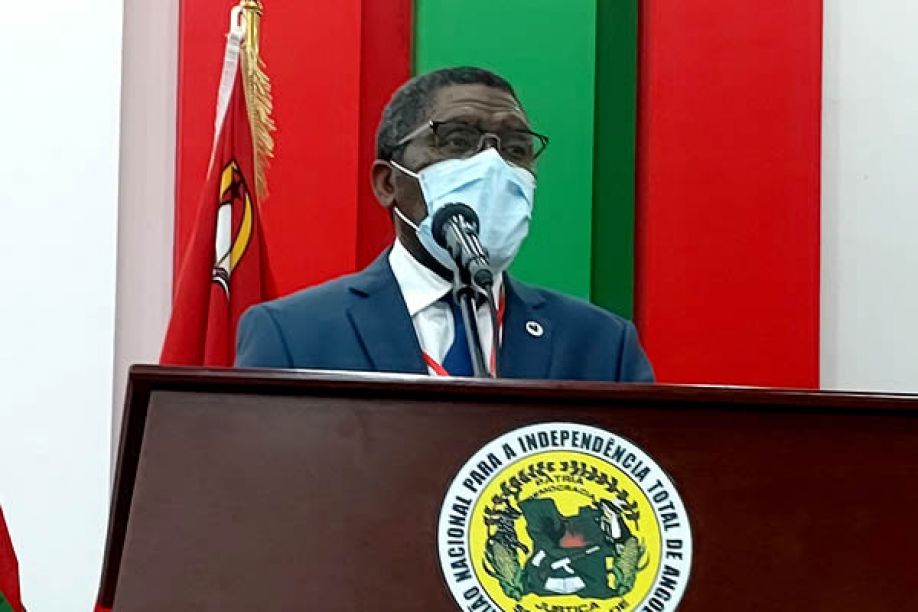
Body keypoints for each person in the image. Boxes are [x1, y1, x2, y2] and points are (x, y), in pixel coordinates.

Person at [235, 66, 653, 381]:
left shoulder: (601, 346)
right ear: (388, 183)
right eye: (457, 141)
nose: (493, 165)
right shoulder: (294, 334)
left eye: (515, 148)